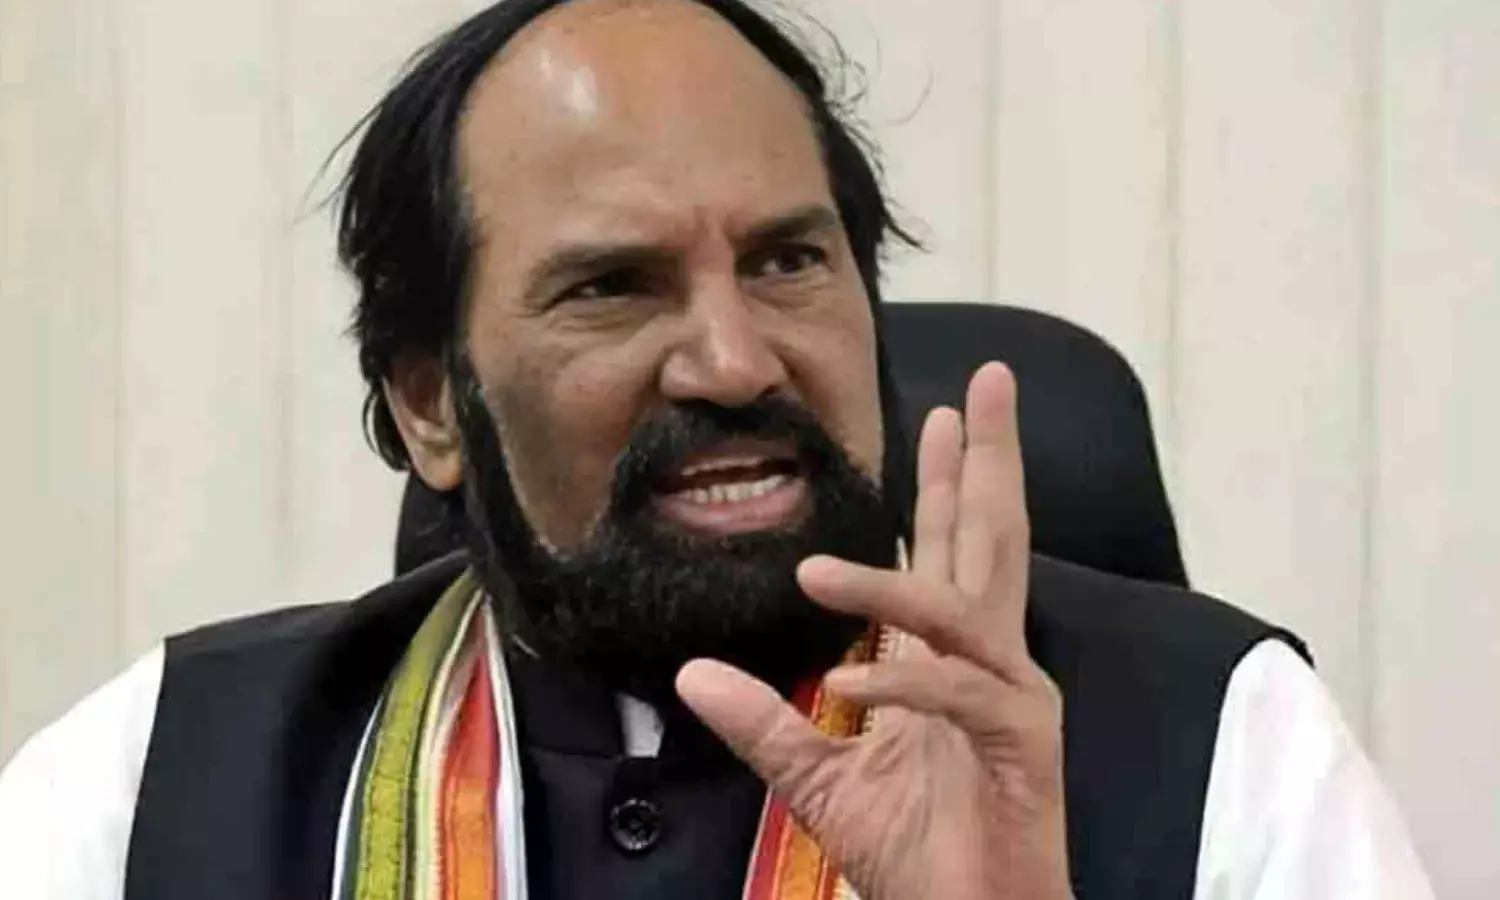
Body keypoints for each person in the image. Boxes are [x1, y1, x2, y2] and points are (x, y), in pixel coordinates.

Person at [0, 1, 1434, 898]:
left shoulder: (1222, 741)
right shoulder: (158, 777)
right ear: (434, 404)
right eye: (612, 286)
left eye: (787, 261)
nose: (736, 361)